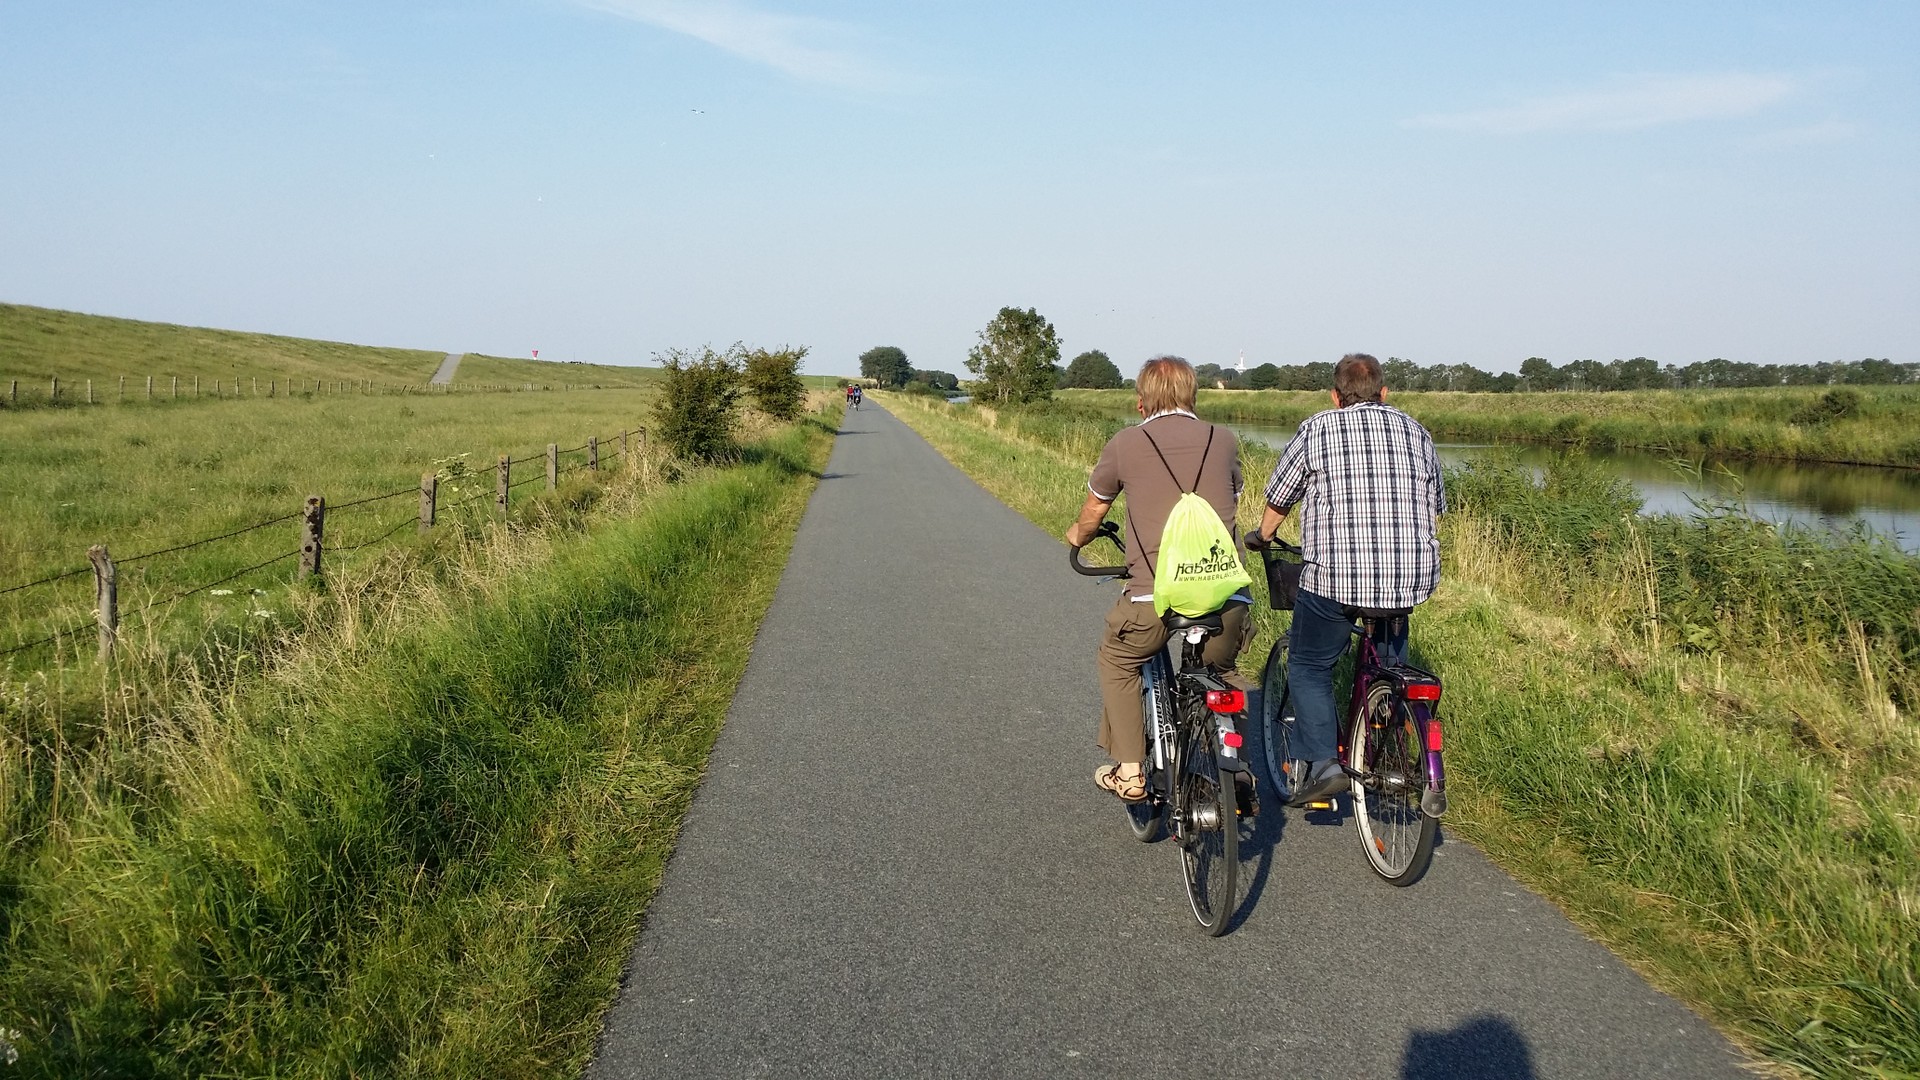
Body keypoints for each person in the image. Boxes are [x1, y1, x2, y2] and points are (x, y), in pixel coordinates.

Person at [1244, 353, 1444, 805]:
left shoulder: (1318, 428)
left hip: (1336, 576)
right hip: (1409, 575)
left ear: (1336, 396)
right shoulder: (1417, 431)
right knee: (1390, 662)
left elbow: (1280, 497)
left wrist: (1264, 535)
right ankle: (1389, 742)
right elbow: (1435, 505)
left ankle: (1323, 764)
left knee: (1308, 665)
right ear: (1384, 393)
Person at [1064, 356, 1249, 802]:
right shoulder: (1223, 439)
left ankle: (1130, 772)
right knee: (1220, 669)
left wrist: (1077, 536)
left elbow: (1095, 509)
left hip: (1153, 600)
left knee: (1118, 659)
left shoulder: (1127, 443)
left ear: (1141, 402)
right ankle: (1236, 767)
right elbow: (1235, 496)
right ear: (1193, 396)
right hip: (1225, 597)